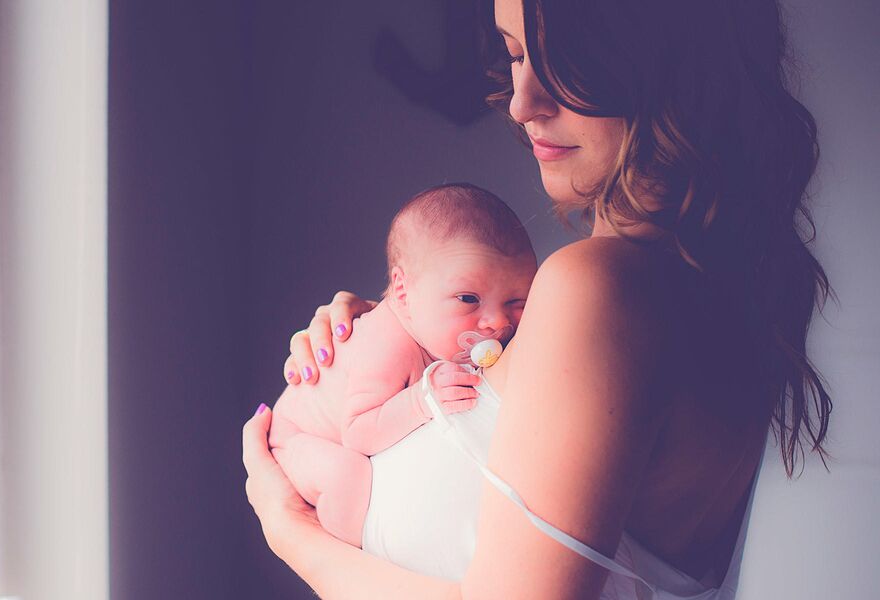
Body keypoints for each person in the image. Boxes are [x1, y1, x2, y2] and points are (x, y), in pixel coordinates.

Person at [242, 0, 833, 597]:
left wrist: (289, 527)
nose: (523, 104)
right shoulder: (711, 293)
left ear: (666, 64)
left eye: (564, 64)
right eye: (518, 56)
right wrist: (392, 331)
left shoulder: (598, 289)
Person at [268, 183, 537, 548]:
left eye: (517, 300)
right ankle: (352, 557)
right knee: (349, 474)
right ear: (402, 290)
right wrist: (422, 398)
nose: (495, 322)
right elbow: (359, 432)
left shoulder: (441, 334)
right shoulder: (388, 341)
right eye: (468, 298)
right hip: (295, 437)